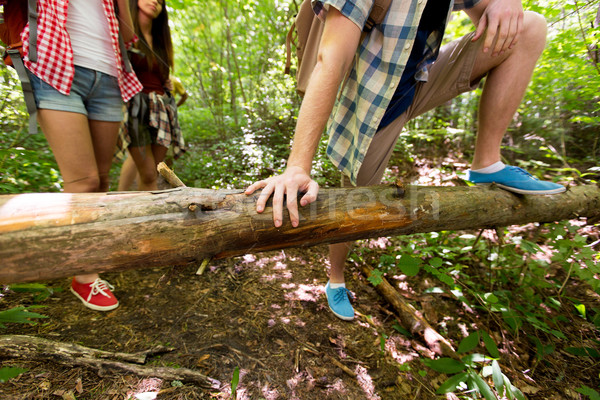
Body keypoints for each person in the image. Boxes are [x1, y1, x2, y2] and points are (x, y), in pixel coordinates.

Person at [245, 0, 566, 321]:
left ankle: (487, 162)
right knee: (356, 201)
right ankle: (336, 279)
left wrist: (503, 4)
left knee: (529, 27)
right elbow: (332, 56)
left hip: (422, 78)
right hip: (372, 105)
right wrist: (298, 165)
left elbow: (487, 20)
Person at [21, 0, 143, 311]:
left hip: (109, 74)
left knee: (101, 181)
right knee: (83, 182)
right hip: (53, 67)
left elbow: (129, 35)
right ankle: (84, 275)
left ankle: (90, 264)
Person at [117, 0, 184, 192]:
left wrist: (167, 82)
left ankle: (143, 217)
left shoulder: (161, 39)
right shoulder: (125, 32)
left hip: (162, 109)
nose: (155, 2)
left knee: (152, 173)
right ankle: (121, 203)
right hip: (136, 109)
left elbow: (161, 73)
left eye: (161, 2)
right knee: (146, 173)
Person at [117, 75, 188, 191]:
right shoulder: (172, 79)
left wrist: (174, 106)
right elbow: (185, 96)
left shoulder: (172, 81)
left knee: (153, 166)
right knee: (140, 161)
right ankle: (121, 192)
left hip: (163, 113)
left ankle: (163, 184)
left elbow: (184, 95)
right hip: (141, 108)